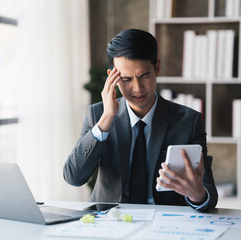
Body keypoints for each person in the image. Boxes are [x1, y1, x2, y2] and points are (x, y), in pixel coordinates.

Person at [63, 29, 218, 212]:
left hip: (164, 223)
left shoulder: (188, 121)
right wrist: (106, 120)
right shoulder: (98, 115)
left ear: (157, 68)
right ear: (112, 76)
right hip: (110, 221)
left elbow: (208, 191)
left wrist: (197, 194)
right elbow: (74, 177)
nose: (137, 88)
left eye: (144, 76)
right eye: (126, 79)